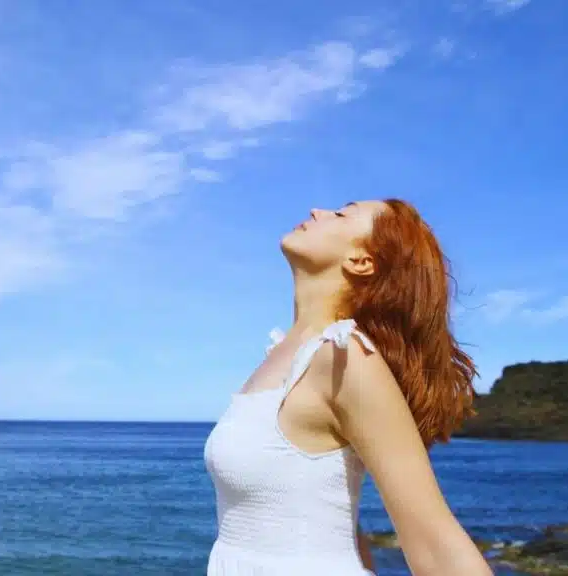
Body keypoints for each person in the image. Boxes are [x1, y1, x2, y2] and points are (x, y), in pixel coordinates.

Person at [203, 199, 494, 575]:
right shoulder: (286, 355)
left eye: (341, 214)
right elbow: (332, 519)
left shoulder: (346, 358)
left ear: (361, 261)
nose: (316, 211)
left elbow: (434, 542)